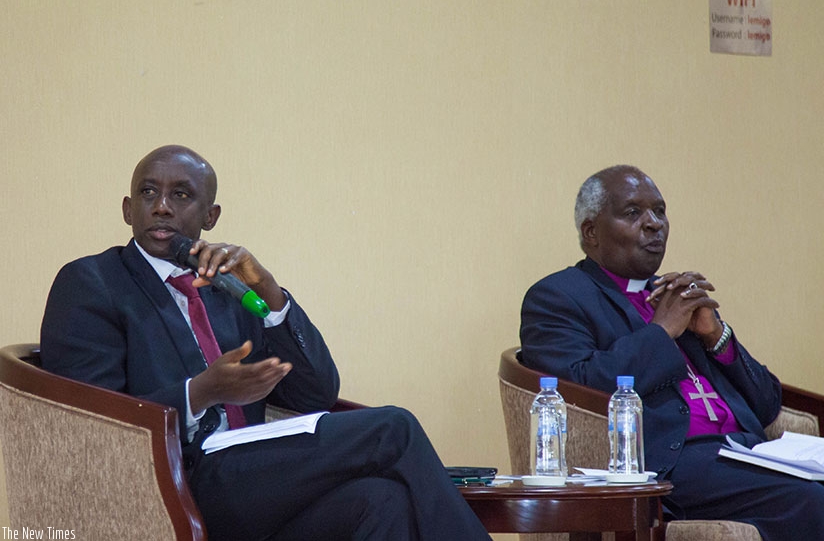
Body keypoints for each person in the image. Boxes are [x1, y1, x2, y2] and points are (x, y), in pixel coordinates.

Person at [40, 145, 491, 541]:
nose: (161, 207)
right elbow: (91, 428)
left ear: (210, 216)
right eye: (147, 193)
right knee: (394, 426)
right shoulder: (92, 282)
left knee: (382, 501)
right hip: (175, 484)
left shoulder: (226, 290)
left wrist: (271, 295)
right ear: (126, 209)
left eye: (180, 195)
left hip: (254, 481)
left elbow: (315, 393)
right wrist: (202, 392)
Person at [519, 165, 824, 540]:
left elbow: (766, 404)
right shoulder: (558, 297)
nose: (654, 224)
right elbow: (582, 389)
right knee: (811, 501)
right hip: (670, 466)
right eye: (633, 213)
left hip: (746, 453)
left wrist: (717, 336)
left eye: (659, 211)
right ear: (591, 231)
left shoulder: (675, 297)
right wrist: (662, 331)